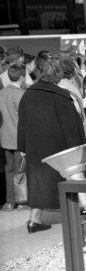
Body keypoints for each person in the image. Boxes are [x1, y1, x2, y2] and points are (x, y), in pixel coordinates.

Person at [17, 58, 86, 233]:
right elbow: (71, 129)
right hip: (58, 150)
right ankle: (75, 216)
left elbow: (22, 124)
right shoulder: (61, 97)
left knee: (38, 184)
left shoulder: (28, 94)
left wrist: (22, 147)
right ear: (58, 75)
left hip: (34, 148)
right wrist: (79, 150)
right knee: (66, 181)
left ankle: (34, 220)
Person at [0, 65, 27, 211]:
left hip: (4, 139)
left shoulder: (1, 93)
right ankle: (21, 202)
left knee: (8, 171)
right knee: (21, 171)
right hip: (19, 139)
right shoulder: (22, 94)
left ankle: (9, 202)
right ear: (22, 77)